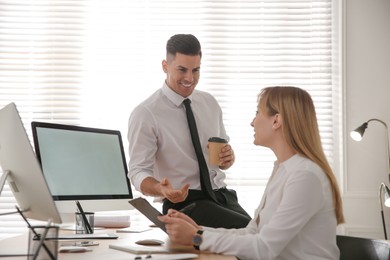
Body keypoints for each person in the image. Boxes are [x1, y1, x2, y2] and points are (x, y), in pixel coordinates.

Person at [158, 86, 345, 260]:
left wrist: (196, 238)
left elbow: (263, 248)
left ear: (276, 120)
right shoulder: (283, 170)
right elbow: (252, 232)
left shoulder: (305, 176)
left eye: (257, 113)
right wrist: (196, 229)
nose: (252, 121)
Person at [127, 34, 251, 228]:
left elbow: (220, 159)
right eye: (182, 70)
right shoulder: (146, 113)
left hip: (222, 196)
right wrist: (161, 189)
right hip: (184, 202)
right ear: (165, 66)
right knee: (249, 234)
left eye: (196, 70)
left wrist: (228, 158)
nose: (190, 78)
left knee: (262, 237)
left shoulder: (209, 103)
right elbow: (137, 171)